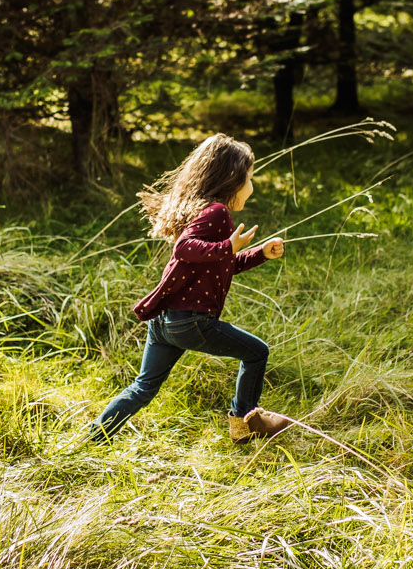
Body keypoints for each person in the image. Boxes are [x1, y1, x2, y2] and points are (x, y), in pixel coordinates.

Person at [90, 134, 295, 442]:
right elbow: (186, 249)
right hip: (192, 321)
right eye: (249, 177)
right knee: (257, 352)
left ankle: (93, 437)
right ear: (231, 176)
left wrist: (258, 253)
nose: (251, 186)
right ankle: (244, 420)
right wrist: (227, 247)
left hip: (164, 321)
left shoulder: (200, 210)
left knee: (143, 387)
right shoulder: (216, 212)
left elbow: (216, 263)